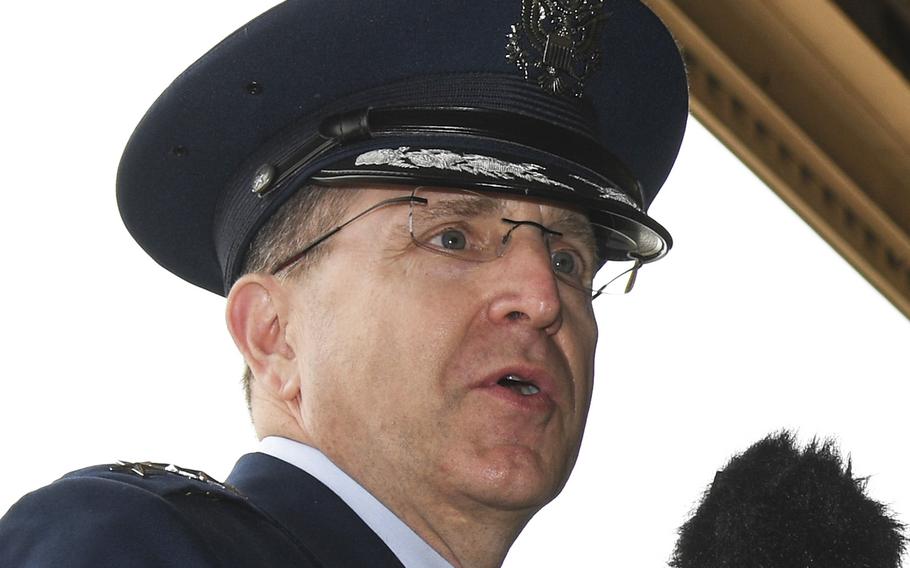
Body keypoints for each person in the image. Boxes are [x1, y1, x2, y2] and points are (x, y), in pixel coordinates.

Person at [0, 1, 688, 566]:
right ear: (274, 336)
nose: (542, 298)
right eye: (451, 236)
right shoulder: (135, 545)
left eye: (569, 259)